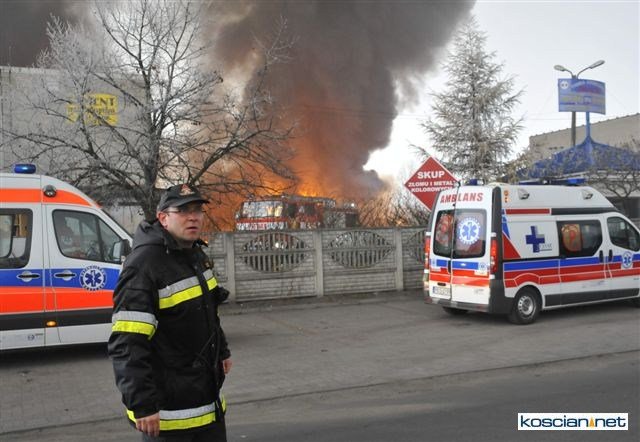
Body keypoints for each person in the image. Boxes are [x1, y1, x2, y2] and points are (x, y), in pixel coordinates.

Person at [108, 184, 232, 442]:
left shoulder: (195, 254)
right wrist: (143, 404)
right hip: (168, 416)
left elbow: (209, 310)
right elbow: (128, 342)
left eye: (197, 210)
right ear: (163, 218)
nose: (193, 217)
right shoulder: (143, 265)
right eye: (183, 211)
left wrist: (222, 351)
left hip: (207, 406)